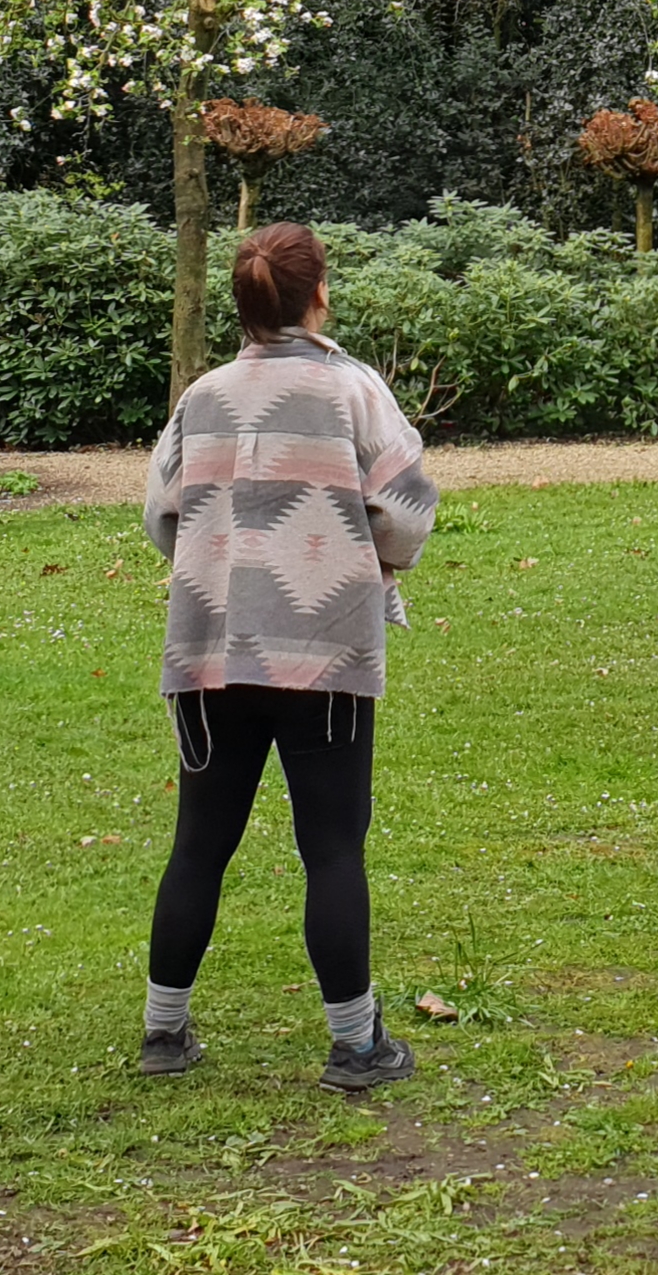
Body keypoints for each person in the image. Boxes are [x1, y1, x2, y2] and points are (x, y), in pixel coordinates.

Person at [138, 223, 437, 1093]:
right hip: (324, 652)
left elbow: (162, 514)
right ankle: (356, 1047)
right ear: (319, 294)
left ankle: (163, 1034)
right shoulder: (353, 390)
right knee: (333, 847)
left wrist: (225, 555)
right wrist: (368, 558)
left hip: (208, 649)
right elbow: (408, 507)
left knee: (199, 843)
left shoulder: (202, 396)